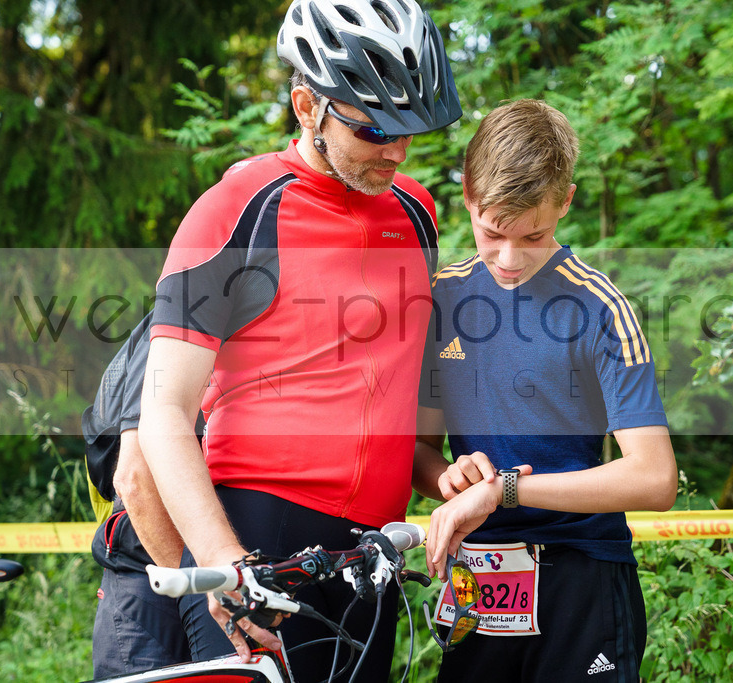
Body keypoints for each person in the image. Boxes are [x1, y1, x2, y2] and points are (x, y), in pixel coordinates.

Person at [131, 1, 462, 681]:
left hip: (372, 549)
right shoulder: (236, 209)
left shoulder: (416, 211)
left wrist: (442, 475)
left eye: (410, 129)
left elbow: (402, 386)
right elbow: (163, 410)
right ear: (307, 106)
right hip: (256, 531)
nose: (397, 151)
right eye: (374, 129)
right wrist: (226, 563)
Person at [409, 99, 677, 682]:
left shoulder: (600, 308)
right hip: (477, 576)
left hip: (580, 571)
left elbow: (655, 479)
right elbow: (419, 453)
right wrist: (451, 480)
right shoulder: (440, 299)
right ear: (468, 196)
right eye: (492, 232)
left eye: (534, 234)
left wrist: (503, 491)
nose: (509, 258)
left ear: (566, 202)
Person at [82, 313, 191, 678]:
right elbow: (133, 482)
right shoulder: (176, 329)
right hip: (146, 573)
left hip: (170, 568)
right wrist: (203, 596)